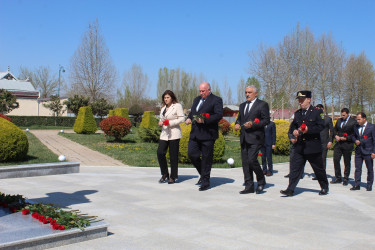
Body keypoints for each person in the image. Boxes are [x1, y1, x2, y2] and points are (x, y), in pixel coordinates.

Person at [280, 90, 329, 196]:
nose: (300, 102)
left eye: (302, 100)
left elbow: (321, 126)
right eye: (299, 100)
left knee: (318, 169)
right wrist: (293, 132)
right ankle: (290, 189)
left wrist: (308, 130)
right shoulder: (297, 114)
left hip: (312, 147)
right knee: (295, 169)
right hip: (300, 147)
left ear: (309, 100)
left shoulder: (317, 112)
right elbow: (293, 126)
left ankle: (324, 187)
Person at [186, 82, 223, 191]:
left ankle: (205, 182)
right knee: (192, 154)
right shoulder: (196, 99)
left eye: (203, 91)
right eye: (200, 91)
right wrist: (189, 117)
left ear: (209, 90)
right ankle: (203, 174)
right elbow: (192, 112)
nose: (201, 93)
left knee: (206, 158)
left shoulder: (216, 100)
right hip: (195, 133)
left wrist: (204, 120)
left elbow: (218, 115)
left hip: (208, 134)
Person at [235, 85, 270, 194]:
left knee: (252, 160)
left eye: (249, 92)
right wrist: (237, 124)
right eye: (246, 92)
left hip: (256, 137)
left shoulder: (262, 104)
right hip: (244, 138)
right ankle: (249, 186)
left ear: (255, 93)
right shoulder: (242, 106)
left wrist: (253, 124)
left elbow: (266, 120)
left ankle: (261, 181)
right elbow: (240, 119)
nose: (247, 94)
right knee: (245, 163)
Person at [157, 90, 185, 184]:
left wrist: (170, 123)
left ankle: (173, 176)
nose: (166, 99)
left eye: (168, 97)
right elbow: (162, 119)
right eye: (164, 98)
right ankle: (165, 173)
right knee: (160, 153)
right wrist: (161, 122)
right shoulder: (163, 108)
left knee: (173, 156)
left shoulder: (177, 106)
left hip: (174, 133)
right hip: (164, 134)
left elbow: (182, 118)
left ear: (172, 97)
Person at [331, 108, 357, 186]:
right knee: (335, 159)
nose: (343, 116)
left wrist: (346, 138)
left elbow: (354, 134)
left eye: (344, 115)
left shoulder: (353, 122)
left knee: (346, 162)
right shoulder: (339, 121)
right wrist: (336, 136)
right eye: (342, 115)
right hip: (338, 144)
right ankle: (338, 177)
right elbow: (334, 130)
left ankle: (346, 178)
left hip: (347, 144)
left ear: (348, 114)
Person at [350, 112, 375, 191]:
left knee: (370, 169)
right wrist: (355, 140)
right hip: (358, 151)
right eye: (357, 119)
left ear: (364, 119)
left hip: (368, 151)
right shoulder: (356, 127)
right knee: (358, 168)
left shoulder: (371, 127)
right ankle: (357, 184)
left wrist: (373, 152)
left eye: (359, 119)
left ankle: (369, 184)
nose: (358, 121)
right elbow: (353, 136)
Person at [313, 104, 334, 180]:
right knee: (316, 159)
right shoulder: (315, 119)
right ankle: (317, 174)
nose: (318, 110)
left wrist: (330, 141)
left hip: (325, 142)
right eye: (317, 108)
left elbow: (332, 131)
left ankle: (322, 175)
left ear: (323, 109)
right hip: (316, 141)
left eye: (320, 108)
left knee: (322, 158)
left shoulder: (328, 119)